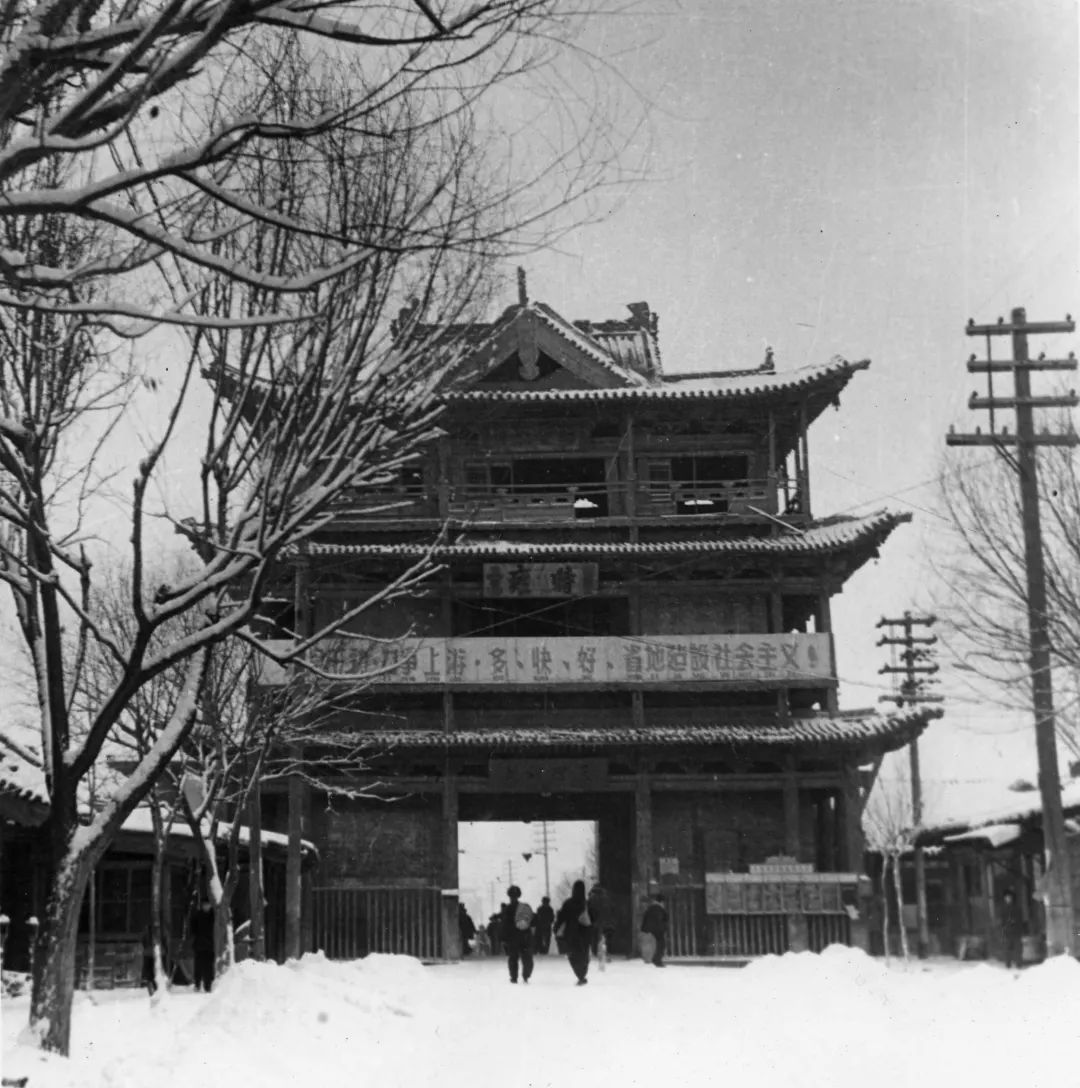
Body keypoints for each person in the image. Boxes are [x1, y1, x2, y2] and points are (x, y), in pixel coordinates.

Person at [555, 879, 592, 985]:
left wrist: (557, 929)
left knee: (573, 955)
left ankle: (580, 974)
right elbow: (592, 918)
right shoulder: (586, 904)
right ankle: (582, 973)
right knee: (584, 954)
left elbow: (561, 917)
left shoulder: (568, 903)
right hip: (584, 934)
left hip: (571, 934)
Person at [499, 885, 534, 984]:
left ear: (509, 896)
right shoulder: (524, 907)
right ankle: (526, 975)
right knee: (527, 957)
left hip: (512, 937)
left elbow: (504, 924)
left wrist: (503, 938)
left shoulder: (507, 909)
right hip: (525, 936)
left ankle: (514, 977)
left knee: (513, 958)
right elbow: (532, 919)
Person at [189, 897, 216, 992]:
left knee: (209, 967)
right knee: (198, 966)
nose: (206, 907)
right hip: (199, 945)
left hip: (210, 945)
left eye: (207, 905)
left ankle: (208, 986)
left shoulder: (214, 915)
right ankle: (197, 984)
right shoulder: (197, 915)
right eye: (204, 905)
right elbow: (193, 929)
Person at [587, 884, 614, 963]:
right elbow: (613, 909)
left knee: (595, 938)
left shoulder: (592, 899)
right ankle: (607, 953)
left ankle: (596, 952)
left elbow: (589, 911)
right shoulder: (608, 899)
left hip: (596, 922)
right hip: (608, 922)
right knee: (606, 938)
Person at [640, 892, 668, 967]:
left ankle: (653, 959)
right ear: (661, 901)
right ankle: (657, 960)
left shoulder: (651, 907)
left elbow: (646, 918)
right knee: (661, 944)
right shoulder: (658, 908)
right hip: (656, 930)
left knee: (652, 945)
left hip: (648, 929)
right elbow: (659, 920)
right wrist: (662, 929)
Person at [1001, 888, 1024, 969]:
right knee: (1007, 949)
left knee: (1018, 948)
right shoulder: (1003, 908)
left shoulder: (1017, 908)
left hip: (1016, 931)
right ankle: (1008, 964)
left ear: (1012, 898)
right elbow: (1002, 920)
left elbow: (1020, 919)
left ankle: (1019, 964)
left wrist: (1015, 922)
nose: (1007, 899)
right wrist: (1003, 929)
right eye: (1006, 897)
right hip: (1007, 931)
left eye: (1009, 897)